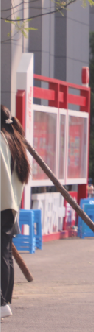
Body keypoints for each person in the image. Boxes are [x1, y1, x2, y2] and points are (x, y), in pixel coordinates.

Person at [1, 106, 28, 320]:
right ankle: (5, 301)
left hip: (2, 203)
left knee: (3, 255)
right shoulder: (14, 141)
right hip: (11, 205)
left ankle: (1, 302)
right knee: (5, 255)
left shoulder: (2, 140)